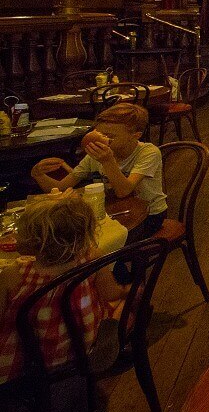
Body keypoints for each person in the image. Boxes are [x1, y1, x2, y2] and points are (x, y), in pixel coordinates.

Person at [0, 195, 122, 384]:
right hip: (81, 346)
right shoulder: (91, 258)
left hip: (31, 359)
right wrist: (128, 290)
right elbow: (111, 293)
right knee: (121, 306)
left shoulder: (13, 274)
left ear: (33, 242)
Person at [30, 104, 167, 248]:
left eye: (110, 136)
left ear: (135, 136)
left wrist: (108, 161)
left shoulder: (148, 152)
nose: (102, 140)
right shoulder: (95, 156)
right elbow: (60, 188)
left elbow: (124, 191)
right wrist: (38, 174)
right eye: (99, 134)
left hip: (149, 216)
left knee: (95, 247)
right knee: (67, 241)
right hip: (112, 214)